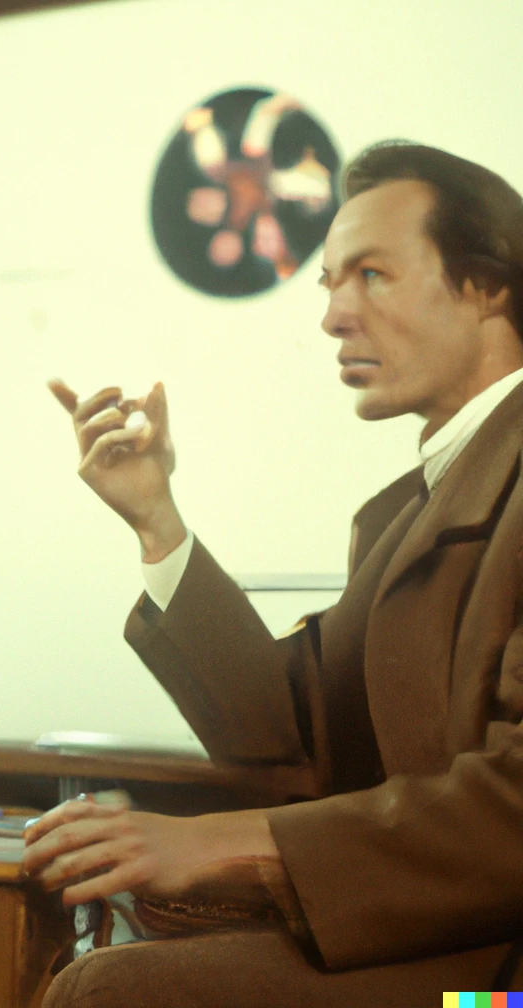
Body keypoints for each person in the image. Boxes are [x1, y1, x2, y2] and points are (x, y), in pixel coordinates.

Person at [25, 141, 523, 1004]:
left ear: (488, 286)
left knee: (106, 995)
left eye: (370, 275)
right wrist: (156, 520)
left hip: (497, 990)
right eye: (327, 282)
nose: (332, 315)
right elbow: (291, 739)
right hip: (445, 943)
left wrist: (227, 842)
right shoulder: (413, 504)